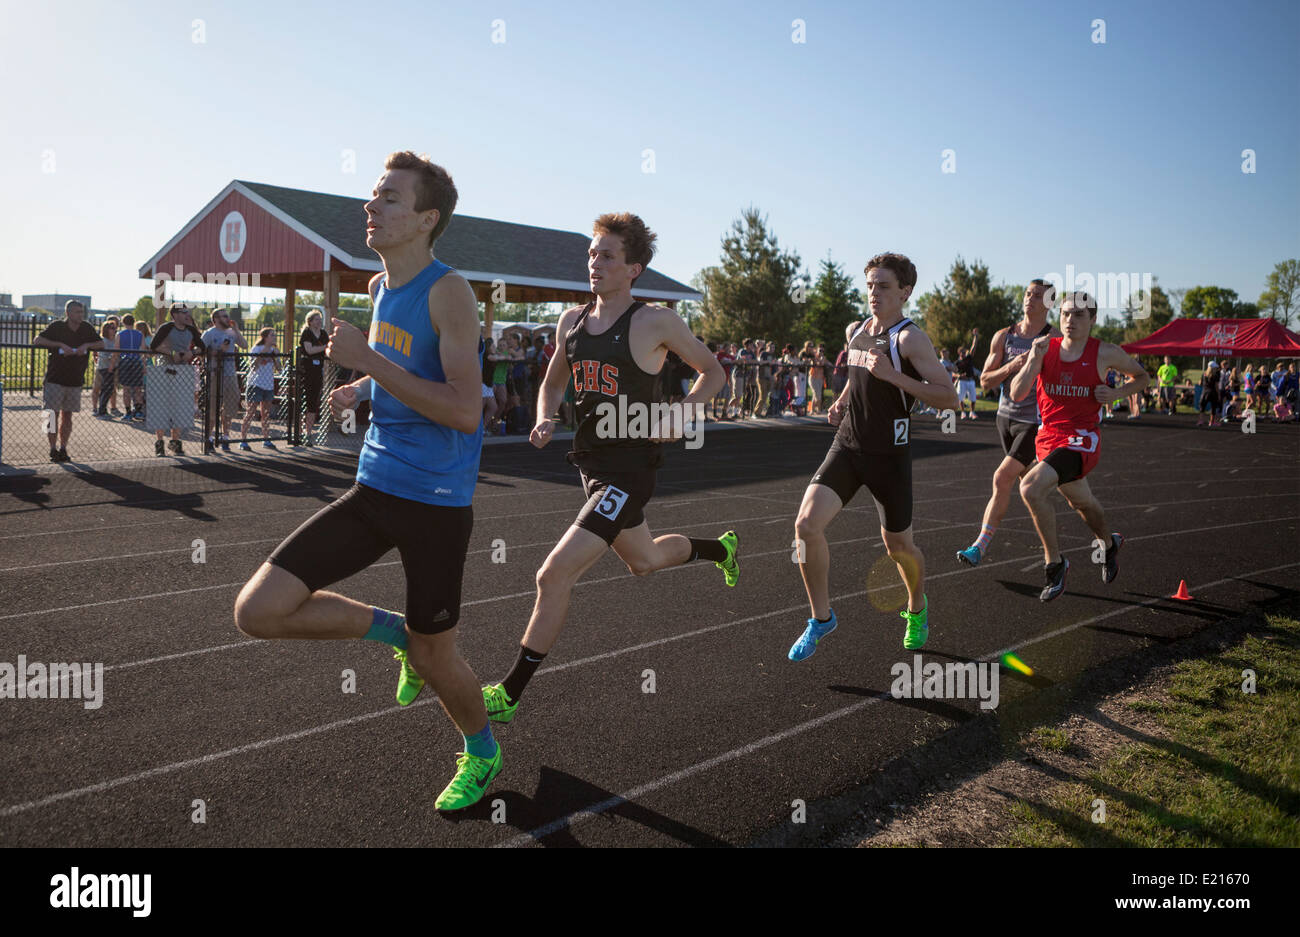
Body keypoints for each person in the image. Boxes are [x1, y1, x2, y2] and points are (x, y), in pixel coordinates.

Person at [235, 150, 498, 810]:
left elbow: (466, 409)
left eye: (388, 198)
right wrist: (359, 387)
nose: (370, 207)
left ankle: (484, 752)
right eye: (373, 195)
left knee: (442, 662)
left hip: (436, 503)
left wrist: (370, 364)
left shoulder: (449, 291)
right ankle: (394, 635)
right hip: (374, 486)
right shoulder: (381, 289)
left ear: (425, 219)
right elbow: (406, 374)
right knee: (257, 609)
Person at [422, 211, 731, 727]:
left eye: (607, 256)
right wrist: (543, 419)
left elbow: (714, 370)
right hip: (590, 466)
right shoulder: (571, 323)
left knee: (553, 573)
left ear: (633, 269)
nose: (595, 263)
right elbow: (550, 385)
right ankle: (719, 549)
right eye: (592, 254)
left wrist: (683, 412)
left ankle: (511, 691)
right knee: (646, 561)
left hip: (631, 470)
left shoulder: (655, 321)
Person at [789, 253, 959, 660]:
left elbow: (949, 396)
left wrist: (895, 376)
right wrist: (843, 401)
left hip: (889, 457)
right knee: (806, 526)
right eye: (869, 285)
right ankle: (821, 618)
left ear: (905, 291)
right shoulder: (858, 331)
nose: (873, 293)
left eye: (883, 286)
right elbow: (858, 375)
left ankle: (917, 608)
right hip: (848, 446)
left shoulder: (910, 338)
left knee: (898, 548)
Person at [1009, 291, 1149, 602]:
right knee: (1083, 504)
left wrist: (1115, 394)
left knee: (1031, 487)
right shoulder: (1046, 349)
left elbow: (1142, 377)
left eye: (1079, 315)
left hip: (1082, 439)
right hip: (1049, 438)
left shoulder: (1105, 353)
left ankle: (1054, 565)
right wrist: (1033, 358)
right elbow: (1017, 393)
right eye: (1066, 314)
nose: (1070, 320)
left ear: (1093, 320)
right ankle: (1109, 544)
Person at [956, 278, 1059, 567]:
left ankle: (980, 546)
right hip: (1005, 419)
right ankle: (1101, 534)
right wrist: (1013, 366)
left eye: (1038, 296)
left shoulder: (1055, 339)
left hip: (1034, 422)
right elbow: (986, 380)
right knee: (1037, 489)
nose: (1030, 299)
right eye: (1027, 293)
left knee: (1002, 478)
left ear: (1049, 303)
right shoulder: (1004, 336)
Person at [32, 299, 103, 462]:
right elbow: (38, 340)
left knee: (67, 415)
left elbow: (101, 343)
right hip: (54, 379)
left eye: (81, 312)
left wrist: (87, 345)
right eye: (77, 312)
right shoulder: (57, 326)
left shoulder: (86, 328)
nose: (80, 315)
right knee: (50, 414)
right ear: (68, 313)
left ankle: (63, 448)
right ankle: (52, 448)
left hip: (75, 380)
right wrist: (59, 345)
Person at [148, 304, 204, 456]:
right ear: (175, 314)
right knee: (161, 408)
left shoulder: (191, 330)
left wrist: (190, 352)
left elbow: (202, 347)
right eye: (184, 312)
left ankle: (175, 443)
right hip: (165, 369)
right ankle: (159, 443)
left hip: (183, 371)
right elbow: (153, 346)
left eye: (188, 312)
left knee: (179, 409)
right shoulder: (166, 328)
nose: (187, 315)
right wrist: (172, 352)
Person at [202, 308, 247, 451]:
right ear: (216, 319)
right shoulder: (209, 334)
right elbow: (200, 350)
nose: (228, 318)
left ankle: (225, 436)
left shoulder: (232, 332)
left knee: (230, 405)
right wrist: (217, 351)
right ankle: (209, 438)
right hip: (215, 373)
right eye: (224, 316)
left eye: (228, 316)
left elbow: (245, 346)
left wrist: (237, 330)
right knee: (213, 407)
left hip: (230, 374)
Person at [241, 328, 278, 450]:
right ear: (265, 337)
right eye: (272, 335)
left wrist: (275, 355)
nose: (275, 337)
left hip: (268, 385)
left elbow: (279, 367)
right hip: (255, 384)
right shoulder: (256, 349)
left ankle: (266, 439)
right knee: (250, 412)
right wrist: (265, 351)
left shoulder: (274, 350)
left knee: (266, 414)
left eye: (275, 335)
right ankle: (243, 440)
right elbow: (254, 366)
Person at [299, 311, 327, 443]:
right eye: (316, 319)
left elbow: (328, 350)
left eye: (320, 319)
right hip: (306, 370)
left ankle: (308, 432)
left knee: (313, 402)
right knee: (301, 401)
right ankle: (298, 431)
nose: (319, 321)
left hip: (318, 370)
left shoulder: (323, 334)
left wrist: (323, 348)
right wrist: (324, 347)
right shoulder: (307, 333)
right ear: (310, 321)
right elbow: (309, 350)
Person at [116, 314, 146, 421]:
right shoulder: (140, 334)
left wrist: (113, 364)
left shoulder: (120, 334)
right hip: (137, 361)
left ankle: (128, 412)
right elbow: (143, 351)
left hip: (125, 361)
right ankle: (138, 411)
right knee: (138, 388)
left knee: (126, 389)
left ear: (123, 322)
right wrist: (144, 365)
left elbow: (117, 350)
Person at [93, 317, 121, 417]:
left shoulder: (116, 340)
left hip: (114, 367)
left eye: (115, 328)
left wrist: (114, 358)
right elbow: (101, 355)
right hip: (105, 367)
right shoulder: (103, 340)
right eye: (112, 328)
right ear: (106, 329)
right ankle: (100, 410)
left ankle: (104, 409)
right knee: (105, 388)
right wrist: (112, 357)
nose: (115, 330)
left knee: (110, 389)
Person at [953, 332, 979, 419]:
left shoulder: (969, 358)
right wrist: (959, 376)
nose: (964, 353)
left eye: (965, 352)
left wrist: (975, 336)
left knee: (973, 399)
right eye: (962, 352)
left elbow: (973, 347)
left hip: (971, 381)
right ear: (959, 353)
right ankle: (963, 413)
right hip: (962, 382)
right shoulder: (957, 363)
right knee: (961, 398)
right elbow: (953, 373)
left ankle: (972, 412)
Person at [1197, 361, 1221, 427]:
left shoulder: (1204, 374)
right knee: (1213, 408)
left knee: (1202, 408)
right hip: (1213, 393)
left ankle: (1200, 421)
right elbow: (1216, 386)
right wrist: (1219, 395)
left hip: (1205, 392)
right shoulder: (1215, 375)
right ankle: (1211, 422)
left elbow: (1199, 383)